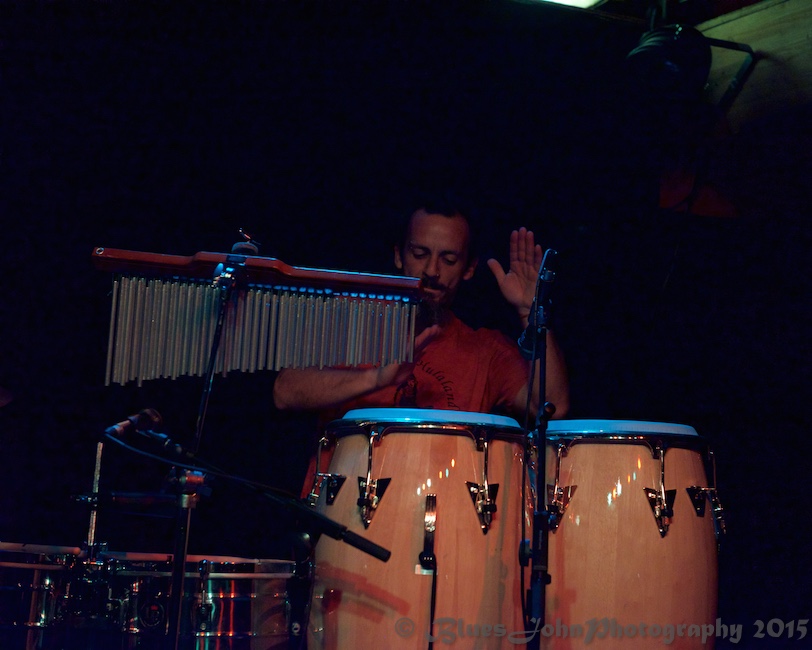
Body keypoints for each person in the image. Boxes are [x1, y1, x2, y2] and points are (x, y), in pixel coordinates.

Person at [272, 201, 569, 425]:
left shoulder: (486, 350)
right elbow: (284, 392)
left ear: (469, 268)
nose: (431, 271)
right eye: (420, 254)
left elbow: (552, 406)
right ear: (399, 256)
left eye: (449, 259)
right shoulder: (352, 320)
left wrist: (531, 311)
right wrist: (375, 379)